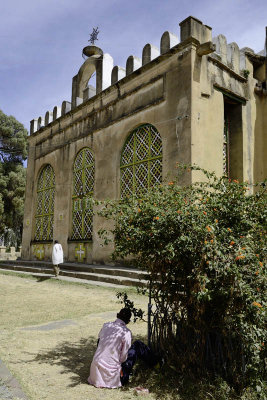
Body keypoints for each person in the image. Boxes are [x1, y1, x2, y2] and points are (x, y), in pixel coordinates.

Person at [88, 308, 160, 389]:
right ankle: (156, 363)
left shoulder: (106, 325)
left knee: (101, 340)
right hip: (114, 378)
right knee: (138, 345)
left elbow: (99, 341)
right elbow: (123, 358)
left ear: (118, 315)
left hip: (95, 375)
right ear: (128, 321)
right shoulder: (126, 332)